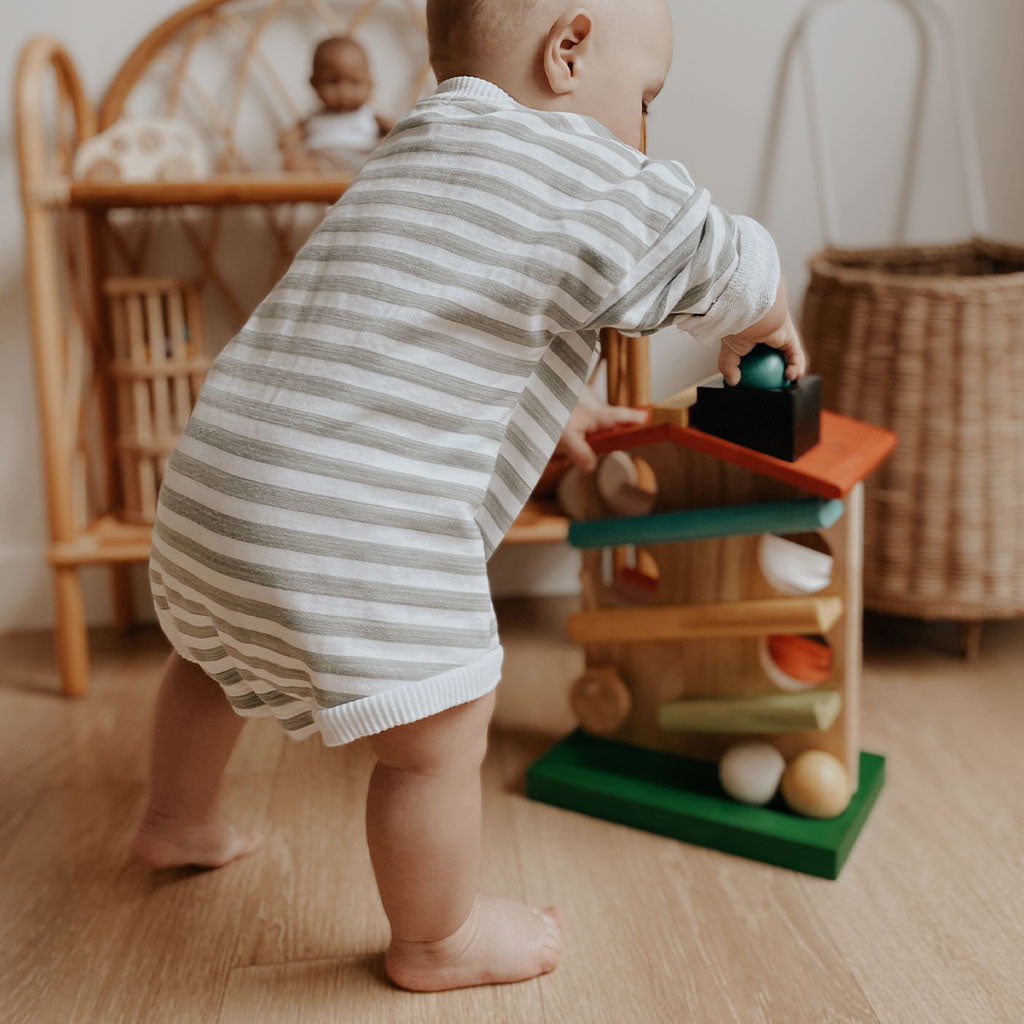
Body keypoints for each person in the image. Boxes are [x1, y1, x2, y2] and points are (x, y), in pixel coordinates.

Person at [132, 0, 807, 994]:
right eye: (644, 97)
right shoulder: (564, 158)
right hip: (340, 523)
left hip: (210, 496)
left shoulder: (415, 152)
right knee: (437, 735)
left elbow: (436, 343)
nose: (641, 131)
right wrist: (766, 310)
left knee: (211, 658)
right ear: (567, 51)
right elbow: (704, 248)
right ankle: (438, 938)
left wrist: (553, 419)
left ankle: (176, 818)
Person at [280, 35, 393, 174]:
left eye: (354, 82)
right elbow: (291, 136)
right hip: (320, 166)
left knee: (385, 158)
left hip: (362, 163)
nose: (344, 92)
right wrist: (289, 144)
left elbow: (393, 129)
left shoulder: (369, 116)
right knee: (293, 164)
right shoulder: (313, 118)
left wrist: (393, 133)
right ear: (314, 83)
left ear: (370, 84)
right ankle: (314, 184)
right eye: (332, 82)